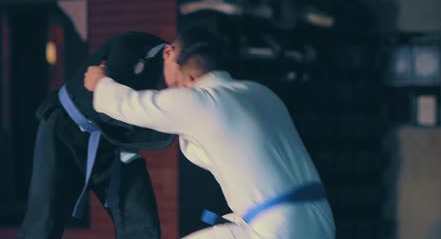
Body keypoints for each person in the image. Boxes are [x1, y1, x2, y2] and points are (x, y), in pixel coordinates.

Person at [84, 30, 336, 238]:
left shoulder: (200, 101)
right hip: (321, 224)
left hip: (276, 230)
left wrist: (100, 83)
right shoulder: (261, 93)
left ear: (169, 53)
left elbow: (129, 106)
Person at [20, 31, 182, 239]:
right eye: (179, 80)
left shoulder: (178, 79)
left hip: (117, 143)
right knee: (43, 225)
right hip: (64, 130)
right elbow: (104, 106)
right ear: (168, 53)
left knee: (142, 226)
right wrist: (165, 121)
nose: (180, 87)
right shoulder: (130, 46)